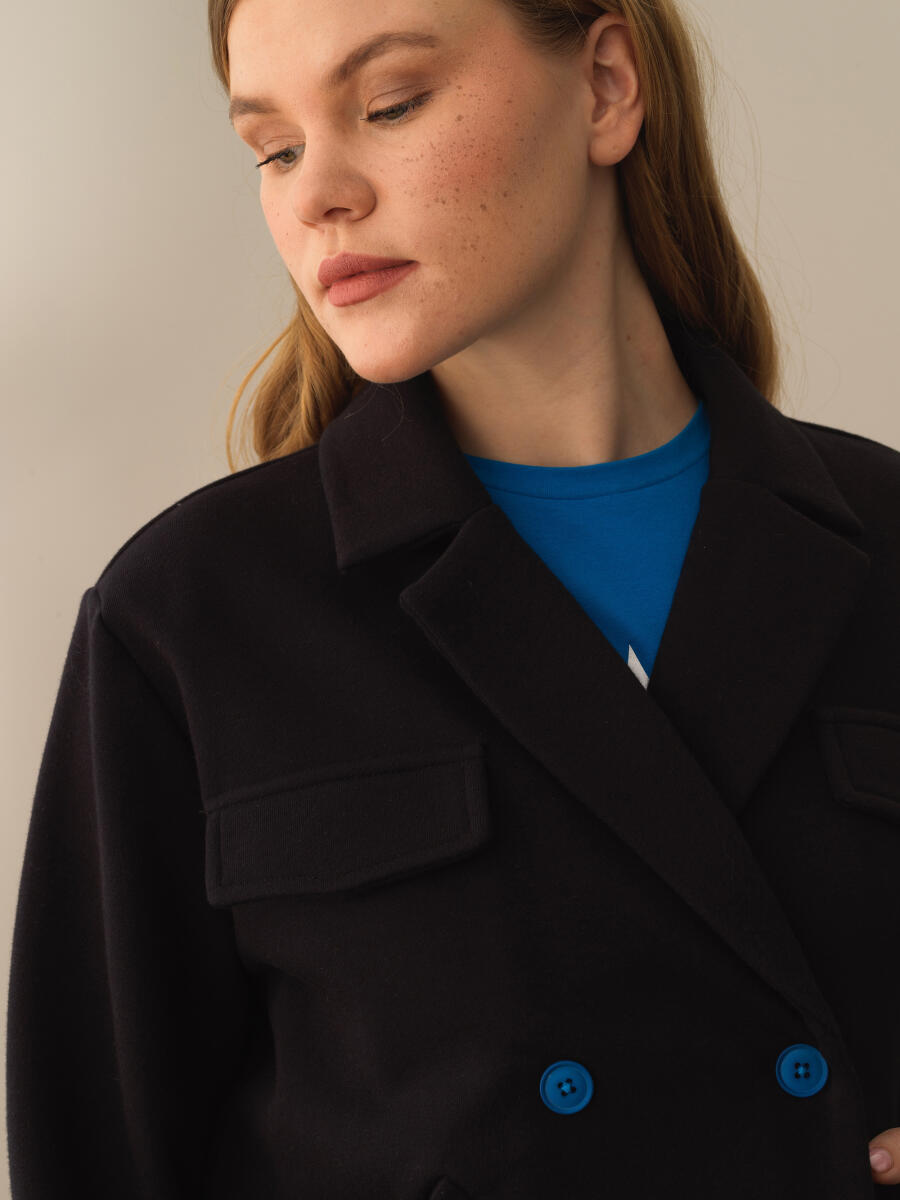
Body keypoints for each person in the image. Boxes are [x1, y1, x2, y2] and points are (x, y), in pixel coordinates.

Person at [7, 0, 900, 1196]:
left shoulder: (884, 544)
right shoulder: (188, 618)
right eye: (275, 149)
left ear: (605, 85)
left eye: (389, 105)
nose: (317, 195)